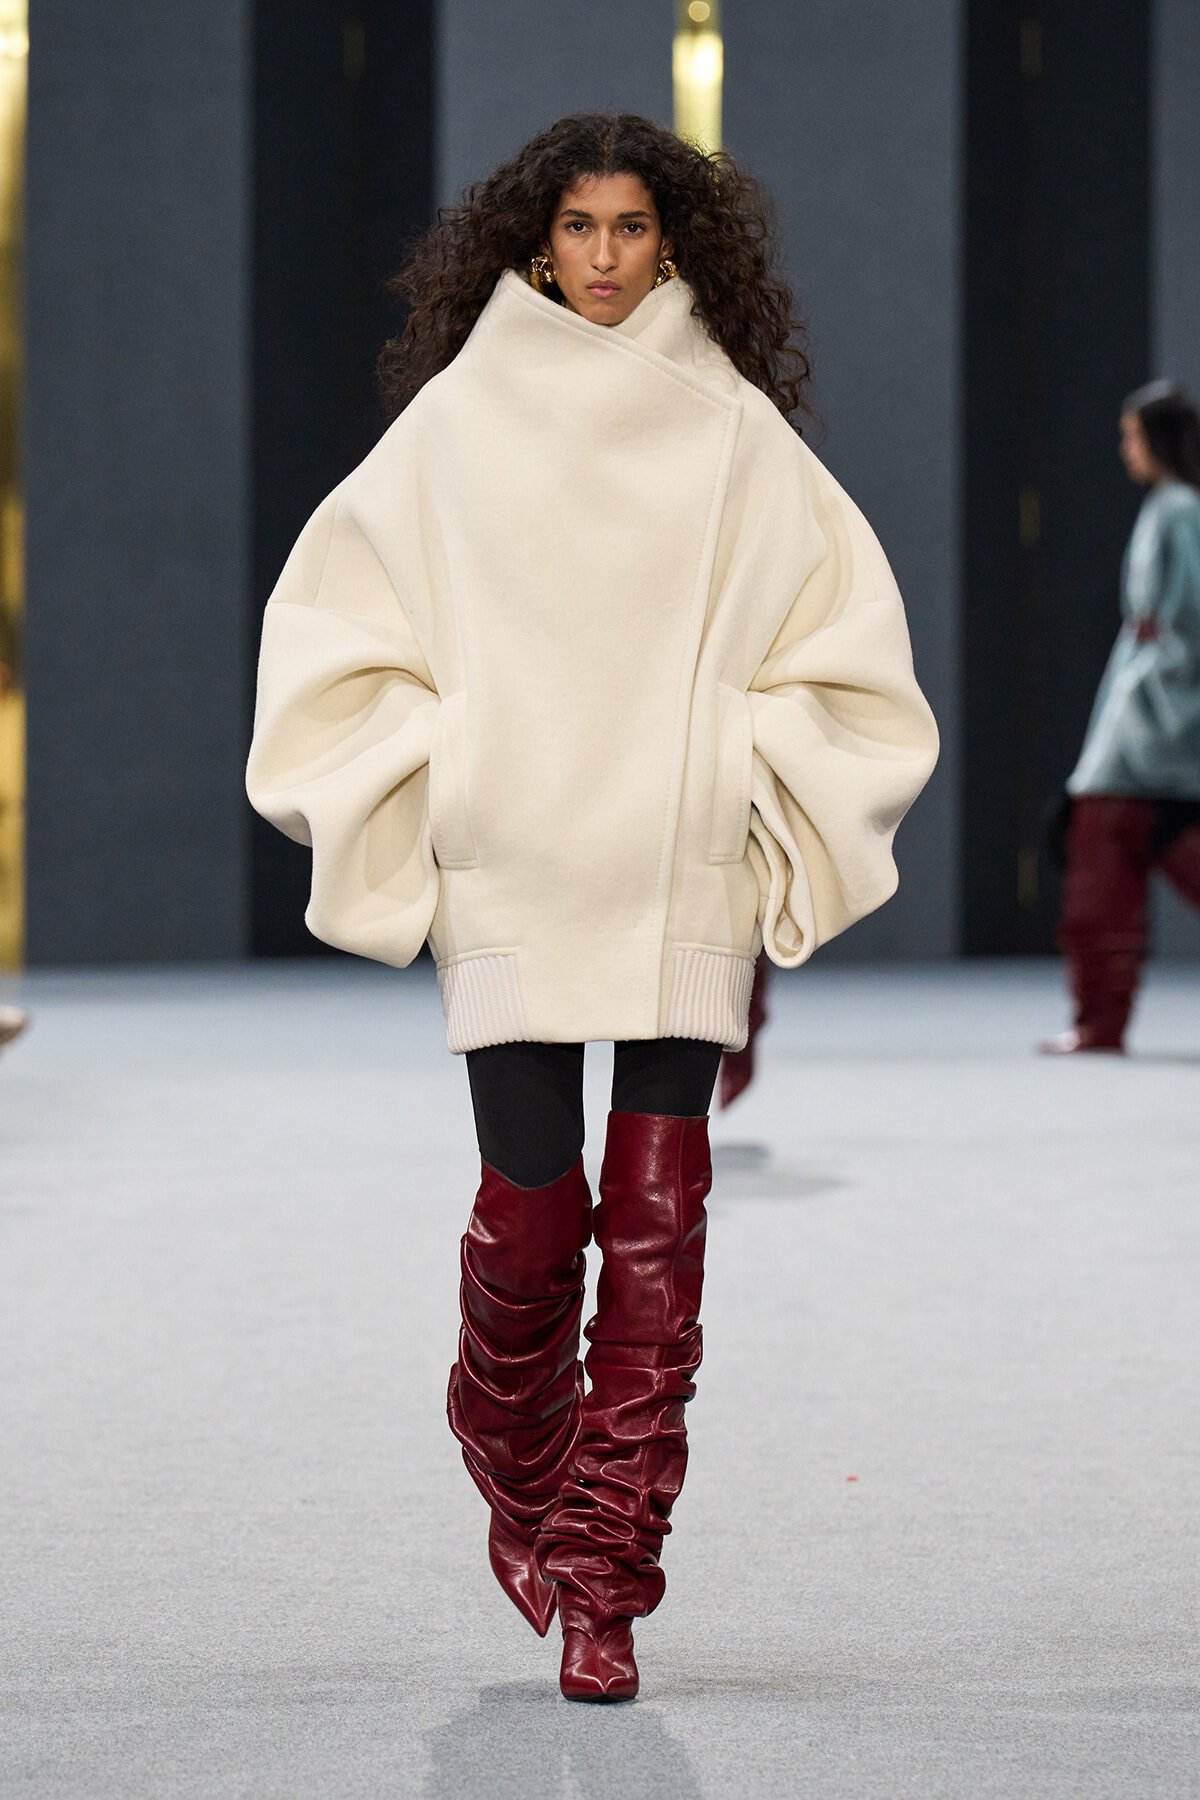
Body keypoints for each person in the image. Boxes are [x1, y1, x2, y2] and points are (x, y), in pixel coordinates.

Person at [247, 113, 938, 1701]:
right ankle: (510, 1444)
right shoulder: (459, 420)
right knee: (533, 1219)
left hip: (675, 861)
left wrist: (735, 767)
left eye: (634, 227)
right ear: (534, 240)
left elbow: (844, 638)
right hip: (519, 862)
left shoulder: (732, 426)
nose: (609, 256)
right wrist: (450, 767)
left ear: (673, 241)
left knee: (657, 1234)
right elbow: (335, 625)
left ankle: (609, 1575)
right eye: (581, 227)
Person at [1042, 381, 1200, 1054]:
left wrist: (1155, 718)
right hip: (1152, 728)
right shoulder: (1172, 509)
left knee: (1099, 874)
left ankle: (1099, 1022)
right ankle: (1098, 1021)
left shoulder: (1178, 512)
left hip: (1151, 732)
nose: (1124, 449)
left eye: (1132, 435)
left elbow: (1186, 626)